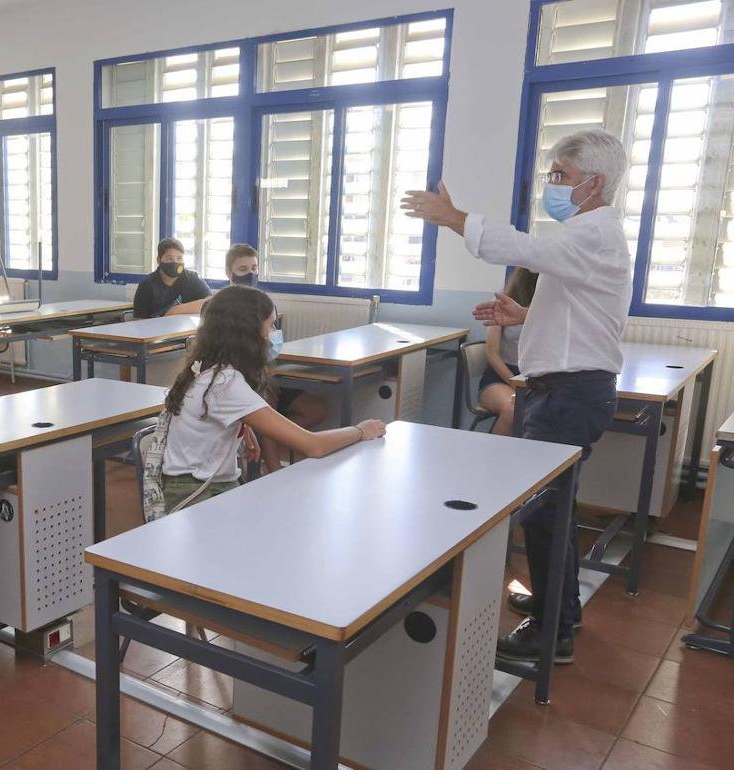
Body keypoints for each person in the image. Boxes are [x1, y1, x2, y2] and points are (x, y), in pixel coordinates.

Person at [402, 128, 631, 664]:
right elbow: (586, 313)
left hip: (570, 393)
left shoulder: (590, 234)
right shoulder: (590, 235)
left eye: (561, 176)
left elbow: (523, 248)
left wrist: (453, 218)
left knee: (543, 512)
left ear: (592, 184)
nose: (552, 184)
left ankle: (551, 632)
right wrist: (524, 315)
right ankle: (560, 610)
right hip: (568, 389)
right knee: (555, 508)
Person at [160, 285, 385, 512]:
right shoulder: (225, 383)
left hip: (199, 484)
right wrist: (360, 431)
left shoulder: (209, 369)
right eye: (270, 325)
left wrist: (242, 426)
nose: (274, 333)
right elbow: (313, 445)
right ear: (248, 333)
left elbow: (211, 417)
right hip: (196, 494)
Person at [222, 244, 329, 472]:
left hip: (267, 372)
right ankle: (272, 467)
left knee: (316, 408)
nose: (250, 273)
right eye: (243, 268)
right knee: (266, 399)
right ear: (228, 272)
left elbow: (276, 346)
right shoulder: (219, 307)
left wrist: (268, 362)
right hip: (240, 379)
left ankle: (272, 436)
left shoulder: (265, 303)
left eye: (254, 267)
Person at [478, 268, 538, 435]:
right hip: (502, 377)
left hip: (537, 379)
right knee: (513, 408)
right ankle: (491, 459)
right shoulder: (503, 301)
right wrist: (515, 383)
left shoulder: (552, 307)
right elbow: (492, 353)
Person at [132, 238, 211, 319]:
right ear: (159, 260)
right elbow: (139, 319)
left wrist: (176, 310)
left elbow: (210, 302)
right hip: (156, 330)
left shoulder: (192, 278)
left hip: (186, 330)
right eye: (170, 258)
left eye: (179, 258)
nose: (175, 262)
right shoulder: (147, 284)